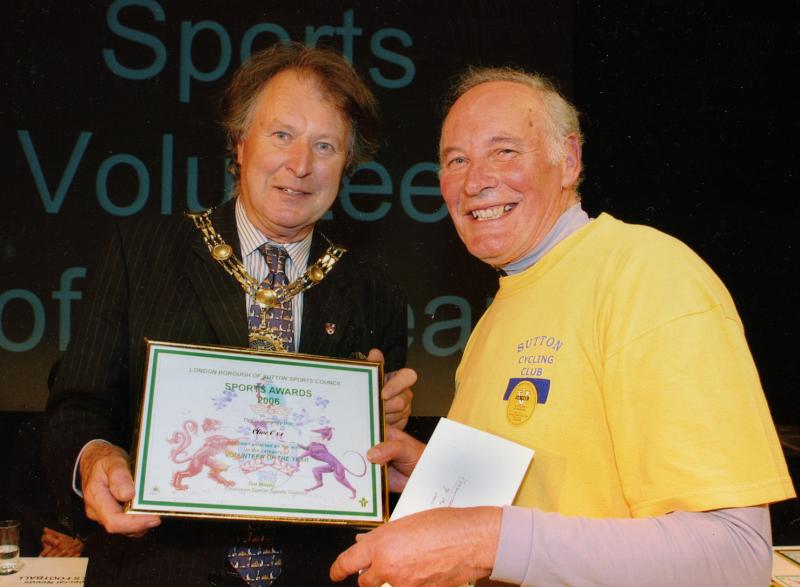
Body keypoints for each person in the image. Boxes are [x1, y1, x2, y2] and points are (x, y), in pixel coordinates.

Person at [329, 66, 797, 587]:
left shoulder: (646, 274)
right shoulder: (495, 318)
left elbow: (736, 555)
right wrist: (435, 478)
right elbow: (544, 505)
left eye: (504, 151)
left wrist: (485, 540)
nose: (475, 180)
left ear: (568, 160)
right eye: (455, 160)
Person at [44, 41, 415, 587]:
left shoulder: (373, 290)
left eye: (325, 145)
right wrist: (95, 457)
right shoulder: (144, 249)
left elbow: (363, 477)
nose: (301, 165)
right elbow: (77, 403)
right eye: (282, 135)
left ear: (347, 164)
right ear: (240, 142)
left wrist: (378, 429)